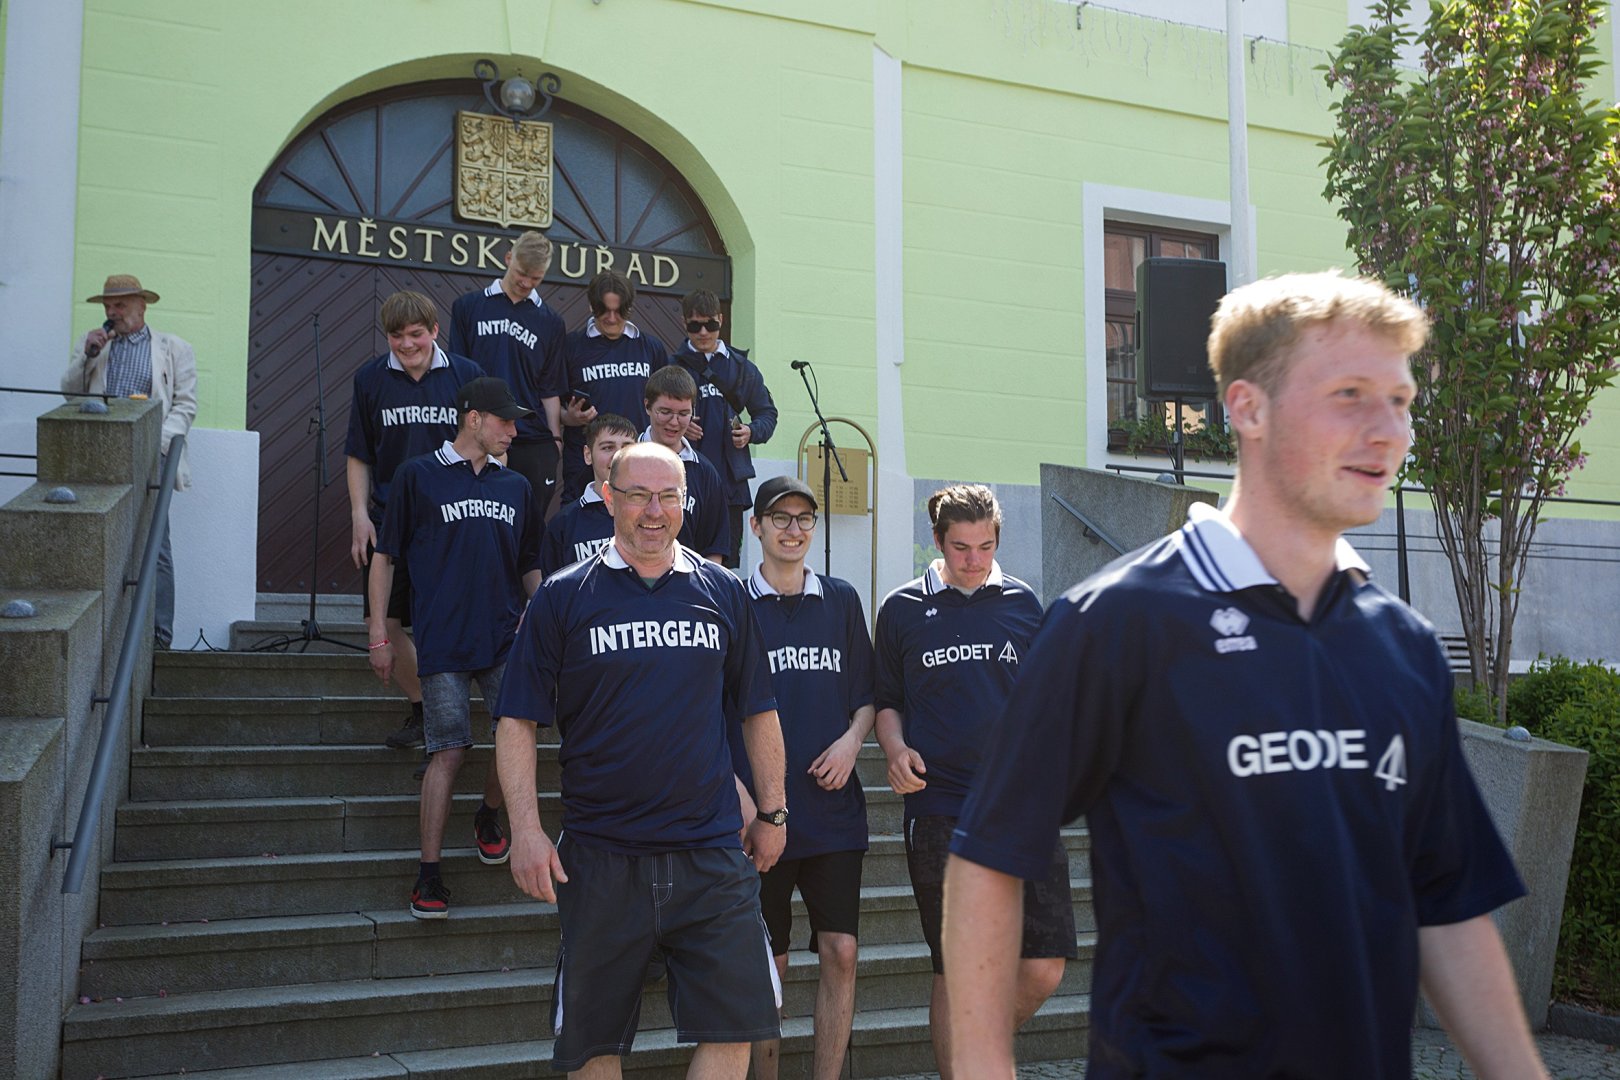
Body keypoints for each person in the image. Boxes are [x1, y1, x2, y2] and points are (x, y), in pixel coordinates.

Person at [944, 272, 1547, 1079]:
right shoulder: (1119, 620)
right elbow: (990, 855)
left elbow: (1446, 903)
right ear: (1248, 408)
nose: (1389, 431)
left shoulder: (1403, 644)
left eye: (1401, 401)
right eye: (1350, 395)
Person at [492, 441, 788, 1078]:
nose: (654, 511)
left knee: (735, 1029)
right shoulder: (563, 597)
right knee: (593, 1046)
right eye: (638, 495)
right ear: (608, 497)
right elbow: (516, 719)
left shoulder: (723, 592)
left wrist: (773, 812)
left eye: (668, 496)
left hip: (710, 855)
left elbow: (758, 711)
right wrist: (525, 829)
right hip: (602, 857)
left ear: (686, 501)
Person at [873, 484, 1074, 1080]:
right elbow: (887, 702)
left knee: (1044, 967)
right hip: (939, 805)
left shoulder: (1023, 602)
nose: (974, 560)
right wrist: (895, 749)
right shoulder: (901, 609)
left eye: (985, 547)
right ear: (938, 541)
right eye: (961, 548)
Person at [369, 377, 541, 919]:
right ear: (473, 419)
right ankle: (428, 874)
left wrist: (543, 621)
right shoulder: (417, 476)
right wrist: (379, 634)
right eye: (505, 421)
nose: (513, 431)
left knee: (516, 734)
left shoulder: (517, 486)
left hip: (504, 639)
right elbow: (384, 557)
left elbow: (530, 565)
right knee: (447, 751)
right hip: (441, 640)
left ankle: (488, 813)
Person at [735, 476, 875, 1080]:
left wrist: (851, 742)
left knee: (841, 951)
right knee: (772, 966)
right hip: (763, 817)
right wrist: (743, 798)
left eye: (804, 519)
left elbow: (866, 698)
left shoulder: (841, 600)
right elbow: (713, 709)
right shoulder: (733, 603)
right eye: (780, 518)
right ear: (756, 526)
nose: (793, 530)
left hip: (832, 813)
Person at [345, 290, 484, 751]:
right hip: (390, 520)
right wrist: (359, 515)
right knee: (382, 620)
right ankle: (426, 710)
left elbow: (486, 446)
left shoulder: (466, 375)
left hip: (453, 520)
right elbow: (359, 454)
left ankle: (449, 717)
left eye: (416, 334)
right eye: (396, 336)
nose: (406, 344)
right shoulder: (370, 379)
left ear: (435, 331)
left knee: (442, 622)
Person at [64, 274, 198, 650]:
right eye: (108, 305)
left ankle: (160, 635)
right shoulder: (94, 346)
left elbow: (186, 405)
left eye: (120, 305)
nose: (112, 312)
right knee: (98, 539)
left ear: (142, 306)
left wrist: (156, 443)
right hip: (100, 455)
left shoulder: (174, 348)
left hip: (151, 455)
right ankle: (99, 630)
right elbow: (70, 394)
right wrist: (87, 356)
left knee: (155, 543)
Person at [448, 231, 567, 523]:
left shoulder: (550, 322)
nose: (526, 283)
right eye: (522, 273)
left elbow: (549, 388)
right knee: (476, 523)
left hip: (531, 439)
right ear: (508, 258)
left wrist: (555, 440)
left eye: (536, 278)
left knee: (528, 528)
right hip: (478, 434)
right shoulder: (468, 307)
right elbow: (458, 374)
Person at [672, 288, 777, 568]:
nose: (703, 332)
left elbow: (767, 414)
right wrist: (678, 427)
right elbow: (650, 414)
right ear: (684, 323)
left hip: (729, 485)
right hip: (682, 480)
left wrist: (751, 431)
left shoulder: (742, 368)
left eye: (710, 324)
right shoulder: (672, 367)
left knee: (724, 565)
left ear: (721, 319)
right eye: (695, 326)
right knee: (678, 560)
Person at [558, 270, 668, 502]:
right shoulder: (571, 347)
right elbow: (550, 400)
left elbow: (665, 401)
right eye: (604, 310)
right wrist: (568, 417)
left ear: (629, 308)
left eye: (619, 311)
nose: (611, 318)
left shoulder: (650, 348)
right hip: (584, 463)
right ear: (591, 306)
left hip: (637, 460)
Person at [640, 365, 730, 562]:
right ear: (647, 406)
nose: (674, 422)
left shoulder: (705, 472)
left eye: (683, 414)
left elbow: (714, 548)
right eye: (665, 412)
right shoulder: (623, 463)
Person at [539, 413, 637, 578]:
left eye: (626, 447)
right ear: (588, 455)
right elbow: (553, 587)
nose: (618, 456)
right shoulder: (564, 524)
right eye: (607, 447)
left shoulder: (655, 513)